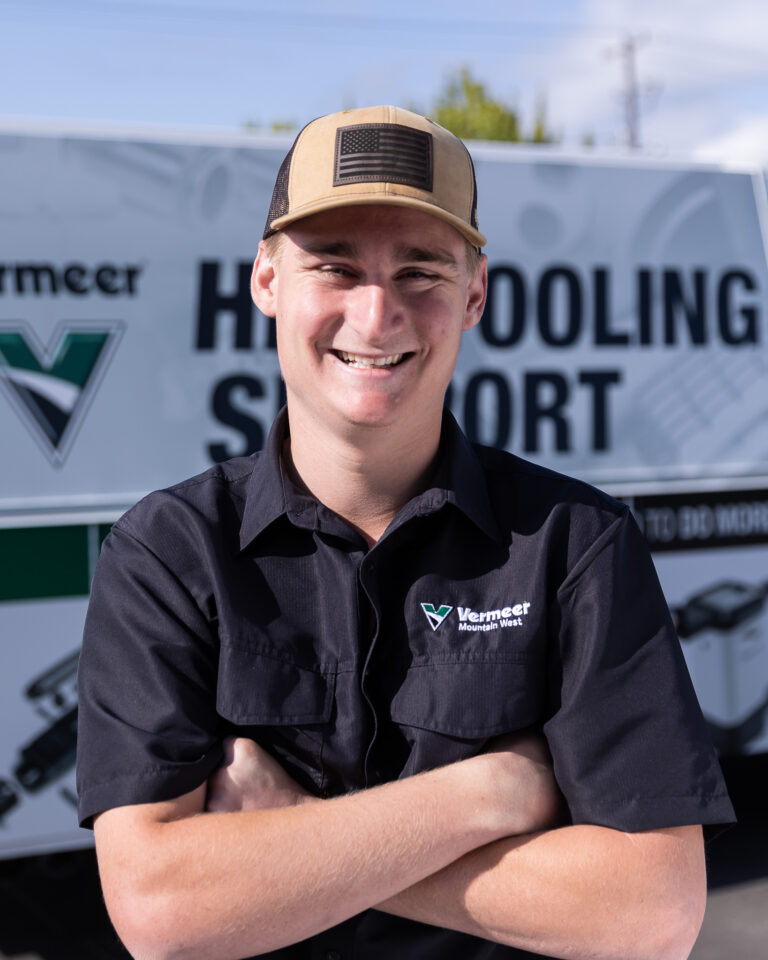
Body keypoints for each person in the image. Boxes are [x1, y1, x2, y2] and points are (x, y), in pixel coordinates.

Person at [76, 105, 734, 960]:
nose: (378, 313)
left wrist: (297, 838)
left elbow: (651, 914)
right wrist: (491, 793)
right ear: (268, 282)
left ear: (475, 294)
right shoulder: (167, 553)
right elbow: (162, 910)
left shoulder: (576, 545)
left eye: (422, 271)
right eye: (336, 267)